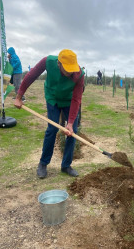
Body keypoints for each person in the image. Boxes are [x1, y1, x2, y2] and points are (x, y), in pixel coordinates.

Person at [14, 49, 84, 178]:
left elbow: (76, 99)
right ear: (59, 64)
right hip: (52, 97)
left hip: (69, 100)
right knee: (52, 129)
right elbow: (31, 76)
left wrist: (70, 122)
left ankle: (66, 166)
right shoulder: (48, 61)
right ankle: (43, 163)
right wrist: (19, 96)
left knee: (72, 131)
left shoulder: (79, 74)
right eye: (67, 69)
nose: (70, 73)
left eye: (71, 69)